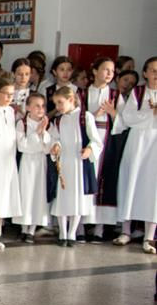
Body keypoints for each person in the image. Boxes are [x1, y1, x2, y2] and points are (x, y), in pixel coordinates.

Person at [48, 87, 101, 246]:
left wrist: (90, 149)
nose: (57, 107)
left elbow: (96, 140)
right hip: (64, 163)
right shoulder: (58, 120)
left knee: (77, 199)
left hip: (79, 163)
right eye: (56, 104)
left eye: (60, 102)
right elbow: (55, 138)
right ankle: (62, 233)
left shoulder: (85, 117)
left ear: (71, 100)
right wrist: (55, 145)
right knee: (62, 199)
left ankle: (72, 234)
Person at [115, 56, 157, 254]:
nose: (156, 74)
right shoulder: (138, 92)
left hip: (155, 145)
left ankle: (149, 236)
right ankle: (126, 231)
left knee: (153, 189)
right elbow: (128, 117)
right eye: (153, 70)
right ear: (145, 73)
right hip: (138, 143)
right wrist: (150, 114)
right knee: (130, 182)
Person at [80, 58, 121, 241]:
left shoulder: (115, 94)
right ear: (95, 71)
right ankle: (80, 227)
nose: (109, 73)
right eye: (105, 69)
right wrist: (94, 114)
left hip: (106, 139)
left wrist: (113, 113)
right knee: (85, 178)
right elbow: (76, 115)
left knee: (103, 178)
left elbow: (124, 121)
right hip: (87, 136)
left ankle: (99, 229)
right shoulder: (82, 93)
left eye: (112, 70)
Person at [0, 77, 22, 241]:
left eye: (11, 94)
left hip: (8, 156)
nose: (9, 97)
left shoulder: (11, 111)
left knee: (5, 190)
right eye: (6, 94)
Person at [13, 92, 52, 242]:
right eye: (36, 106)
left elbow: (47, 148)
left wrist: (43, 133)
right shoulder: (22, 124)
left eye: (42, 106)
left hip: (40, 163)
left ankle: (32, 229)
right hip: (27, 163)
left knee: (38, 194)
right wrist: (37, 134)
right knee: (26, 193)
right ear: (28, 107)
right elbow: (22, 146)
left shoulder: (48, 124)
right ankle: (24, 228)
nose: (40, 109)